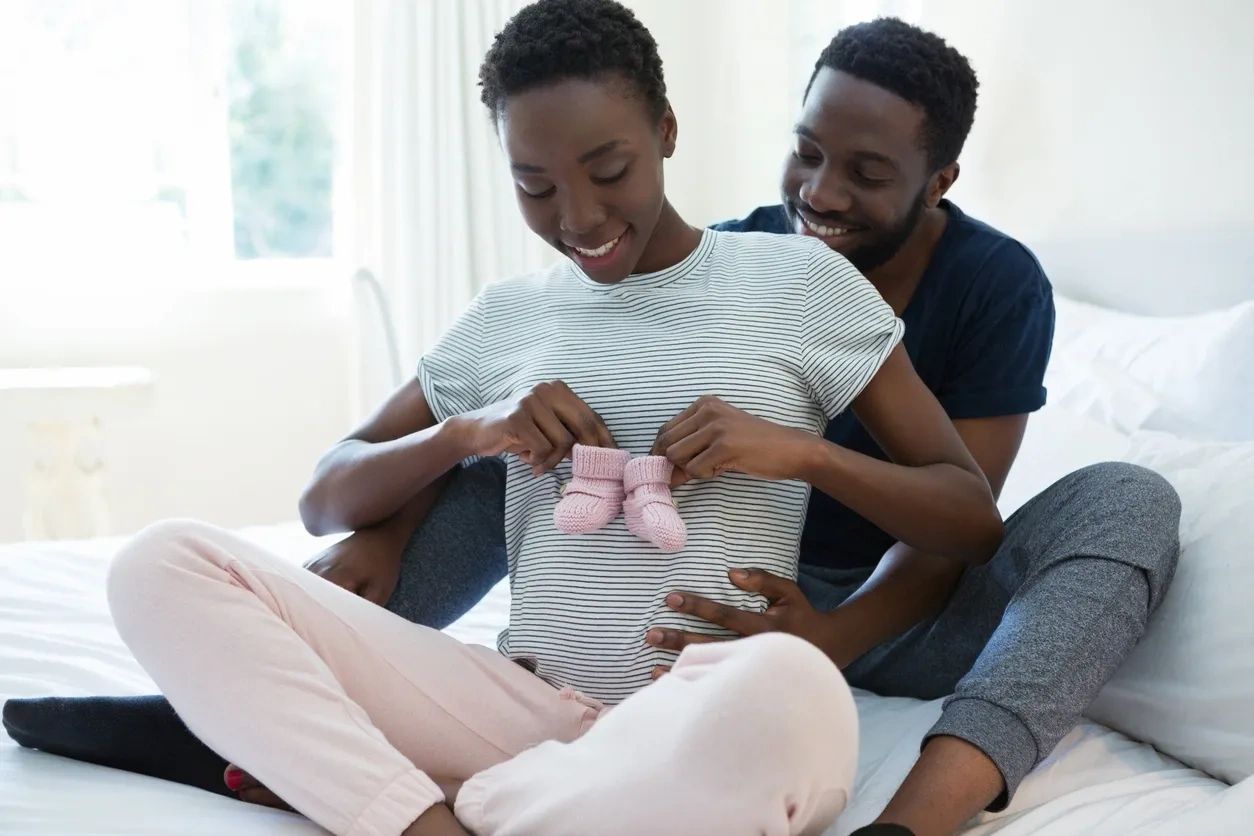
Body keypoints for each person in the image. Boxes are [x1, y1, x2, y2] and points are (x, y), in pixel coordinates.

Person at [4, 13, 1181, 836]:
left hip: (757, 664)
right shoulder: (516, 311)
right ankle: (409, 799)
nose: (576, 214)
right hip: (530, 706)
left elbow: (967, 516)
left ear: (666, 129)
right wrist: (462, 438)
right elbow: (324, 491)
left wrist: (797, 458)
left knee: (787, 692)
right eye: (534, 186)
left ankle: (378, 775)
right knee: (160, 559)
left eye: (608, 167)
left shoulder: (809, 286)